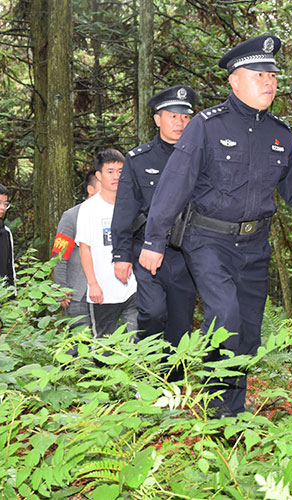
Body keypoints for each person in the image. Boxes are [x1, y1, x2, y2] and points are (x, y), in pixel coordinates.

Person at [139, 35, 292, 417]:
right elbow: (175, 182)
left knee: (246, 330)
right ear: (234, 80)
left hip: (255, 245)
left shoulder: (279, 134)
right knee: (224, 316)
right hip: (207, 240)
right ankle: (214, 410)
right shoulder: (206, 127)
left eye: (272, 75)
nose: (268, 81)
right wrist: (154, 240)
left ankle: (233, 413)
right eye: (258, 73)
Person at [112, 85, 198, 351]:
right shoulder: (138, 159)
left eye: (185, 117)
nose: (179, 122)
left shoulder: (200, 158)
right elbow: (125, 210)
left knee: (181, 324)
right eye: (173, 116)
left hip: (186, 254)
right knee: (151, 312)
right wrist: (121, 255)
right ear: (157, 119)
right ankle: (145, 368)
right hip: (146, 250)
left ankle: (171, 383)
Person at [76, 149, 138, 337]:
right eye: (110, 171)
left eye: (120, 171)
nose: (115, 176)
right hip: (103, 291)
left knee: (139, 341)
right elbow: (84, 248)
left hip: (134, 287)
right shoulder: (89, 208)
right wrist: (92, 284)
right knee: (105, 347)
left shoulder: (133, 204)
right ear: (99, 176)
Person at [52, 169, 101, 328]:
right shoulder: (72, 216)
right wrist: (62, 288)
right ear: (90, 190)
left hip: (105, 295)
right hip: (78, 294)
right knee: (79, 344)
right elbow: (59, 256)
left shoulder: (111, 216)